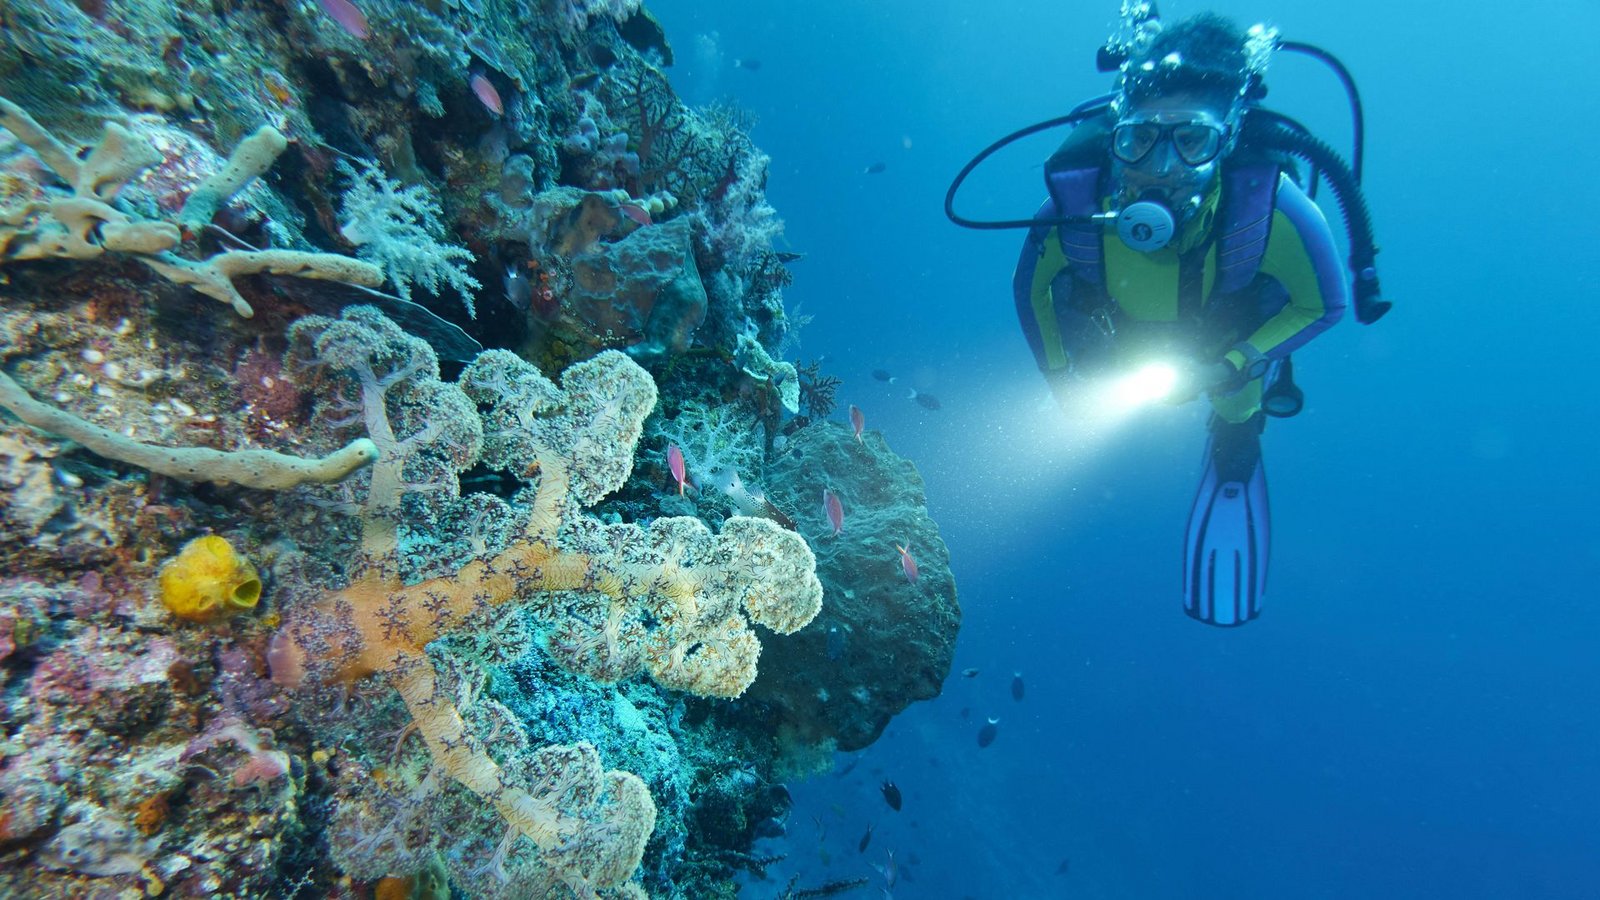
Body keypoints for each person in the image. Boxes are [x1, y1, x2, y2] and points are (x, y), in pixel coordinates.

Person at [1008, 11, 1360, 626]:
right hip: (1119, 336)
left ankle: (1235, 445)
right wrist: (1063, 383)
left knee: (1237, 408)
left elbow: (1325, 304)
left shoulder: (1276, 214)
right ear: (1115, 134)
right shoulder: (1075, 208)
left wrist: (1235, 363)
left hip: (1226, 346)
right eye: (1138, 138)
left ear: (1227, 139)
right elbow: (1030, 290)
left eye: (1192, 140)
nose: (1161, 165)